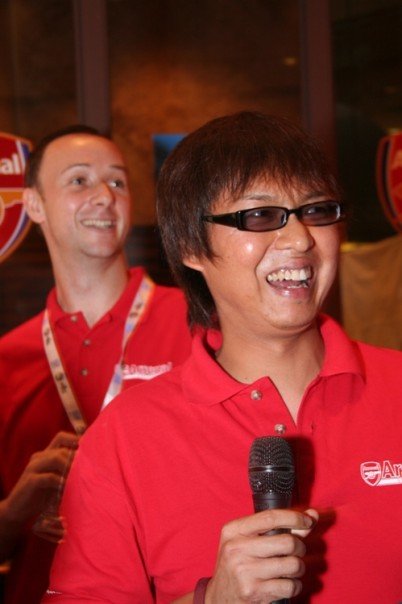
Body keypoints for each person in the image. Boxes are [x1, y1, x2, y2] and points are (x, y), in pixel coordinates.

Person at [44, 112, 402, 603]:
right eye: (260, 216)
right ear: (191, 245)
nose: (300, 239)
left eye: (317, 210)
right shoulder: (123, 439)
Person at [0, 125, 192, 604]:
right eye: (79, 180)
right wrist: (14, 511)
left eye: (117, 181)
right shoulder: (7, 360)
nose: (105, 195)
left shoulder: (199, 325)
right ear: (35, 205)